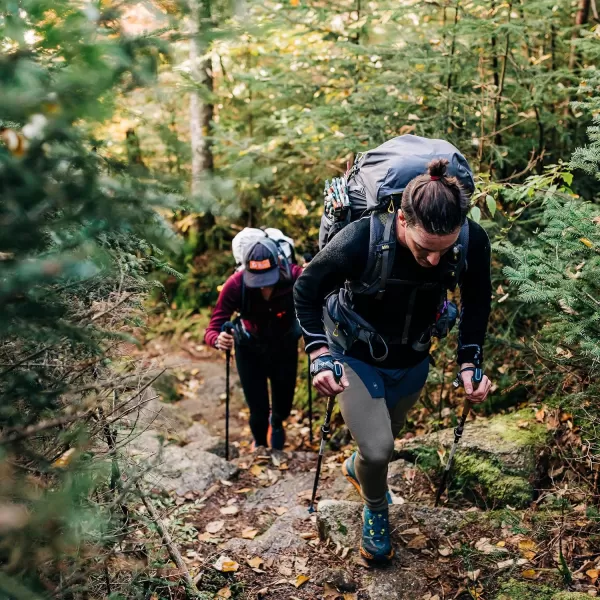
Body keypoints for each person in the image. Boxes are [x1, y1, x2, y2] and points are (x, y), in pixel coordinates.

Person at [294, 158, 493, 562]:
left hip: (414, 357)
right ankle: (377, 511)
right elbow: (306, 291)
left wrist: (470, 362)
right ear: (402, 218)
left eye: (445, 249)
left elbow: (477, 303)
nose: (435, 261)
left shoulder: (473, 240)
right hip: (354, 353)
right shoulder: (360, 238)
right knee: (380, 448)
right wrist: (317, 352)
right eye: (424, 249)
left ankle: (360, 467)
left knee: (382, 440)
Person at [204, 237, 303, 450]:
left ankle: (276, 423)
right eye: (257, 280)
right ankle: (259, 447)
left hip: (284, 348)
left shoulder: (295, 276)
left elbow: (319, 297)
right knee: (257, 410)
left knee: (283, 407)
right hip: (249, 350)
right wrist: (218, 340)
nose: (264, 286)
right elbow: (212, 329)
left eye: (268, 278)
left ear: (278, 264)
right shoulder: (236, 284)